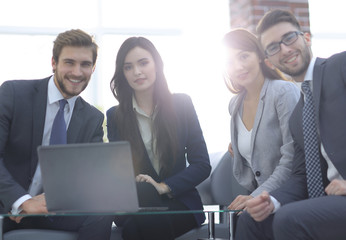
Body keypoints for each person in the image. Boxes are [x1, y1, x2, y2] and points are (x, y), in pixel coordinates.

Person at [235, 9, 346, 240]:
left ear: (306, 38)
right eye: (274, 47)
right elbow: (302, 175)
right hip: (329, 203)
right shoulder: (298, 116)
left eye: (289, 38)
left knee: (290, 219)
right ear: (269, 61)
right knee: (251, 220)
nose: (285, 49)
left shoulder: (340, 67)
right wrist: (270, 200)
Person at [0, 29, 113, 239]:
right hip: (9, 207)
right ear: (54, 62)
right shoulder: (14, 94)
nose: (77, 72)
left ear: (93, 67)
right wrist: (23, 201)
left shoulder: (92, 118)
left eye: (85, 64)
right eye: (69, 62)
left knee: (102, 213)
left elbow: (87, 180)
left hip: (55, 210)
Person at [107, 36, 211, 240]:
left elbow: (202, 165)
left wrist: (162, 187)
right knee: (143, 192)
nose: (137, 72)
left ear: (157, 64)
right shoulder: (115, 116)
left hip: (179, 202)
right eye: (128, 67)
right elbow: (119, 173)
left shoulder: (182, 104)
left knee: (133, 232)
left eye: (143, 63)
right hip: (137, 202)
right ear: (123, 73)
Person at [224, 28, 299, 212]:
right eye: (230, 61)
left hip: (289, 195)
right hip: (261, 197)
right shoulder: (234, 104)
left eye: (243, 56)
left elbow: (293, 158)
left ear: (258, 55)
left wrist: (255, 196)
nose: (238, 67)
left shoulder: (283, 92)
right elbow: (253, 166)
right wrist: (241, 147)